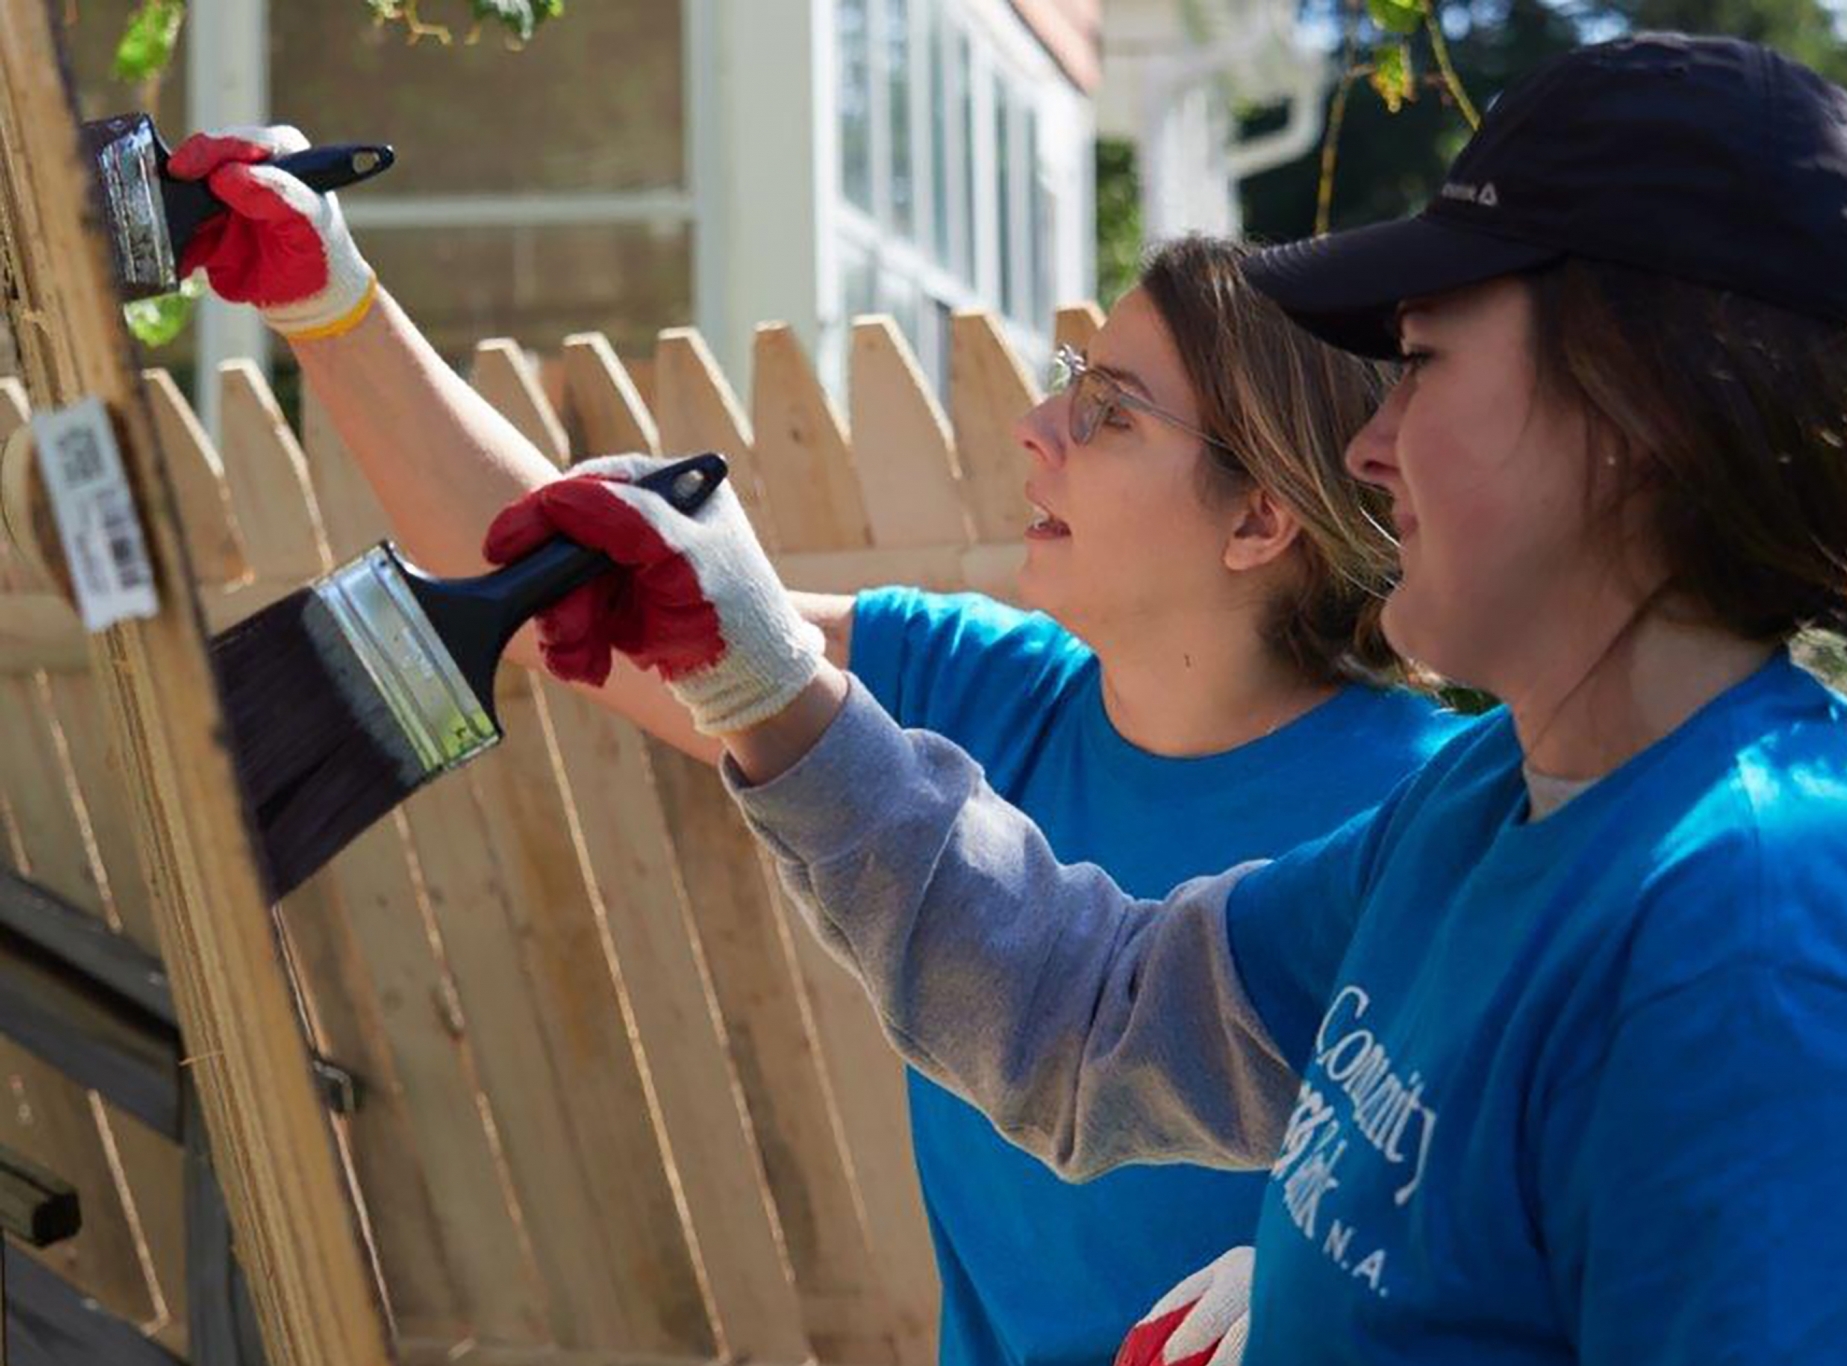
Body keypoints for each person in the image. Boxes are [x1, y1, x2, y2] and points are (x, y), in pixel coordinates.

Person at [469, 32, 1847, 1363]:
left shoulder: (1765, 960)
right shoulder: (1486, 804)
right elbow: (1092, 1018)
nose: (1369, 446)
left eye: (1421, 361)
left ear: (1632, 413)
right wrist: (761, 682)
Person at [164, 130, 1468, 1364]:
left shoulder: (1430, 819)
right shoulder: (978, 689)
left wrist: (1327, 1284)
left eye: (1111, 413)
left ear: (1259, 522)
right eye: (1074, 381)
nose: (1037, 424)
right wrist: (331, 299)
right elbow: (555, 582)